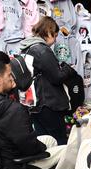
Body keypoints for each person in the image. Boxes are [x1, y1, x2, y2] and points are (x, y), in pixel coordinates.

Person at [0, 50, 63, 169]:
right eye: (10, 75)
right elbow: (29, 147)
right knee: (67, 151)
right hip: (12, 166)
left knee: (50, 140)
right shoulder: (12, 110)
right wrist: (42, 150)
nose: (14, 80)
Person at [20, 16, 77, 145]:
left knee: (44, 141)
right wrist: (68, 69)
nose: (55, 40)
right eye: (55, 35)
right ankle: (62, 165)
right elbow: (57, 77)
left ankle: (47, 165)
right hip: (47, 103)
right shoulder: (41, 50)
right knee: (59, 140)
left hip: (34, 103)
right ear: (49, 32)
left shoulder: (26, 47)